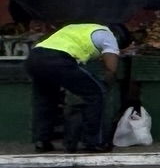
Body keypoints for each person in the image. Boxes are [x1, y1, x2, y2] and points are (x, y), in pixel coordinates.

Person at [29, 19, 122, 152]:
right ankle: (93, 142)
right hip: (60, 59)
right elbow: (111, 68)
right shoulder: (109, 35)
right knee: (95, 93)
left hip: (35, 58)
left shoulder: (74, 28)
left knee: (45, 100)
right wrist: (106, 86)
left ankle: (42, 141)